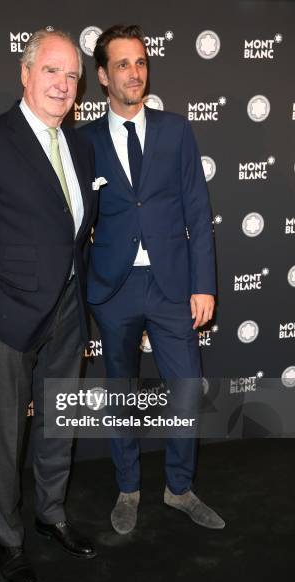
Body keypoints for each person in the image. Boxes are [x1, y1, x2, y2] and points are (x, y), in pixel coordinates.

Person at [0, 28, 97, 582]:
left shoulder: (79, 144)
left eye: (72, 75)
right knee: (8, 434)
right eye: (51, 70)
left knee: (60, 425)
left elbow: (73, 230)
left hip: (69, 312)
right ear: (25, 74)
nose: (62, 84)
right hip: (11, 314)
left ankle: (51, 515)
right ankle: (6, 538)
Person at [80, 25, 225, 535]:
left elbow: (197, 210)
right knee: (120, 391)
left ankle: (179, 488)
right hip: (113, 288)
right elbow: (75, 222)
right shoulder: (85, 142)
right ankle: (128, 487)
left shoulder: (176, 131)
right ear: (102, 76)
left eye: (140, 62)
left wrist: (203, 283)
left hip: (172, 285)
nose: (134, 72)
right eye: (122, 64)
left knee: (185, 388)